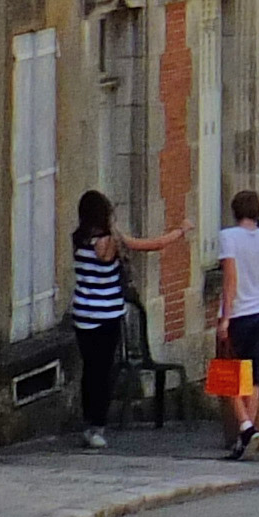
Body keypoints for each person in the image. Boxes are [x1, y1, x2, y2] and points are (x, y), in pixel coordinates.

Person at [65, 191, 186, 449]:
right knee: (104, 370)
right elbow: (150, 245)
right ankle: (97, 425)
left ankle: (89, 423)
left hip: (83, 314)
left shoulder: (78, 239)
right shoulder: (111, 242)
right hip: (107, 314)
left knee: (90, 370)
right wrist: (180, 231)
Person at [211, 188, 259, 461]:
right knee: (252, 376)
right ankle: (248, 434)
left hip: (239, 314)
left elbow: (230, 278)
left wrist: (225, 317)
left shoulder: (228, 237)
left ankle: (245, 425)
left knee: (228, 374)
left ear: (235, 211)